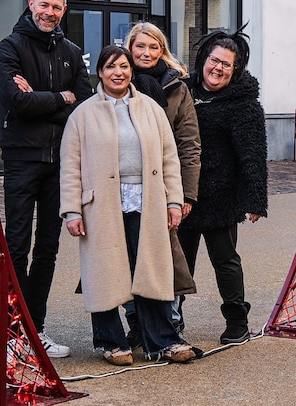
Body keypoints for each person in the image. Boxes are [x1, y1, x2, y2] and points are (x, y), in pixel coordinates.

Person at [60, 45, 196, 365]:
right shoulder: (83, 113)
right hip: (100, 205)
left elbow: (169, 159)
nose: (117, 72)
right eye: (110, 67)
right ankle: (111, 341)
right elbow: (70, 165)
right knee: (105, 273)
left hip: (146, 201)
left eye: (123, 66)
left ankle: (163, 340)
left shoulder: (150, 108)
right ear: (100, 72)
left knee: (149, 270)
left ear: (130, 70)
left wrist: (174, 201)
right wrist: (72, 210)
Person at [0, 0, 91, 358]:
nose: (49, 13)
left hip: (59, 163)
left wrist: (42, 99)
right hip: (22, 159)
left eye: (56, 7)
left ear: (63, 10)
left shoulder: (71, 51)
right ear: (31, 3)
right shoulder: (10, 48)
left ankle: (36, 329)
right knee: (16, 246)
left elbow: (82, 104)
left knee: (47, 248)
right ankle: (14, 331)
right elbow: (15, 102)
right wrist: (58, 99)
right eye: (44, 5)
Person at [181, 28, 268, 344]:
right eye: (214, 61)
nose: (217, 68)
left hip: (221, 195)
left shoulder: (242, 104)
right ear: (203, 59)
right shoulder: (182, 91)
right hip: (185, 194)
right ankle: (171, 321)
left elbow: (253, 154)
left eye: (226, 65)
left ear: (236, 69)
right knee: (179, 262)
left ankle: (237, 321)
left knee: (225, 260)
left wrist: (255, 199)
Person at [123, 22, 200, 343]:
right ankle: (137, 325)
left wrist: (188, 194)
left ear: (162, 51)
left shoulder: (177, 88)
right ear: (130, 48)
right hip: (125, 186)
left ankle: (171, 319)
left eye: (153, 47)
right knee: (127, 254)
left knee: (167, 255)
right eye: (140, 46)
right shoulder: (117, 81)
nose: (146, 52)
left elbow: (189, 143)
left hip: (165, 186)